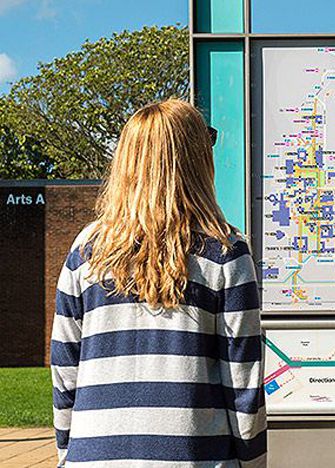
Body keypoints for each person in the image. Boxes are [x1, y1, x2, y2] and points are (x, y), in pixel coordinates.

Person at [50, 100, 266, 467]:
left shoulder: (86, 250)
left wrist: (68, 453)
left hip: (92, 457)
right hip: (195, 457)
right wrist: (253, 461)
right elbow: (243, 379)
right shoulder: (225, 251)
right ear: (197, 161)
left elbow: (64, 369)